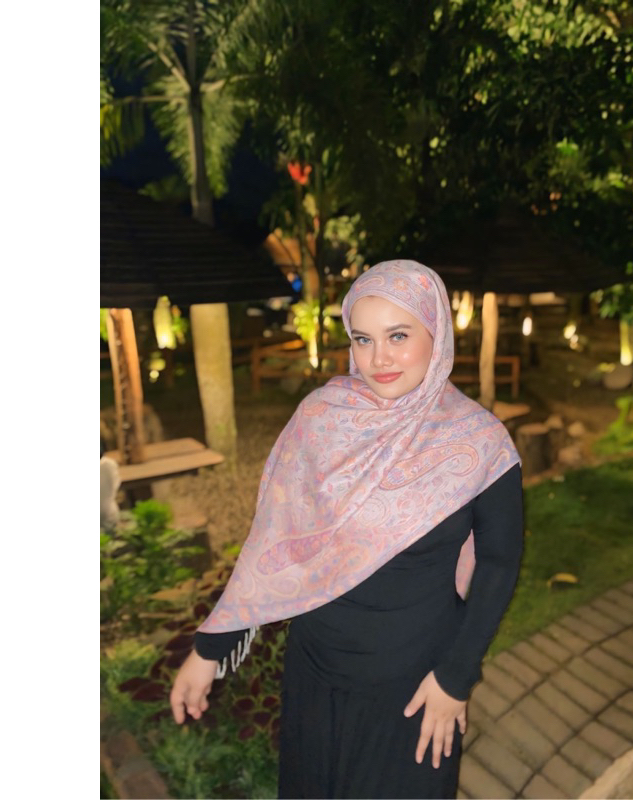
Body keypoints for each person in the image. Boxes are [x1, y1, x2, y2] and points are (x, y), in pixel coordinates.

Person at [170, 260, 524, 799]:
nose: (379, 358)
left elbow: (499, 563)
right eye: (363, 339)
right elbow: (274, 545)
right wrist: (209, 650)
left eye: (398, 336)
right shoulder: (321, 418)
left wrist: (455, 677)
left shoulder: (481, 443)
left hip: (415, 684)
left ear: (437, 334)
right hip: (317, 670)